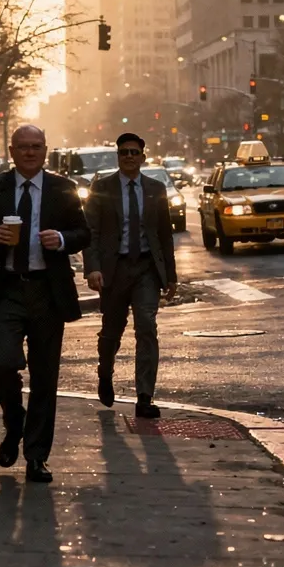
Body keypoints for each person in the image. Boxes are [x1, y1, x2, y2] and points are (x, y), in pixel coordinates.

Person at [0, 124, 89, 483]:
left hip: (47, 291)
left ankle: (37, 456)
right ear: (12, 150)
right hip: (6, 290)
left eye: (36, 147)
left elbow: (84, 232)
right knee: (4, 363)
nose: (30, 152)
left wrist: (62, 239)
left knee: (45, 378)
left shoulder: (63, 188)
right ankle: (13, 421)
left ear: (45, 151)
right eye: (23, 147)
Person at [84, 132, 178, 419]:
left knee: (147, 326)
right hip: (115, 269)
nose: (128, 157)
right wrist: (93, 268)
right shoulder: (102, 188)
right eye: (123, 152)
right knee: (112, 330)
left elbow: (164, 234)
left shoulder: (155, 188)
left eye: (134, 152)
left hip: (147, 269)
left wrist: (171, 276)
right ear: (118, 156)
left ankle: (145, 396)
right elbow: (92, 233)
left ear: (143, 157)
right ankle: (105, 373)